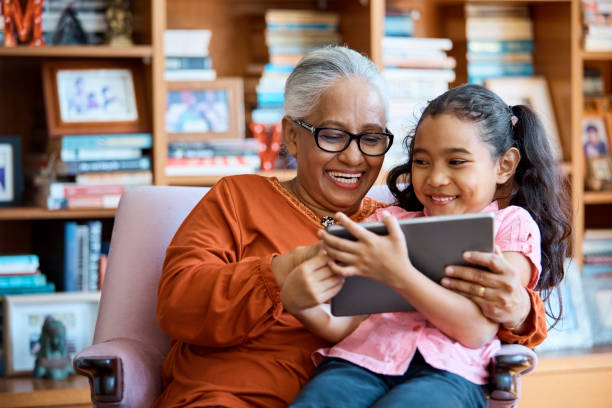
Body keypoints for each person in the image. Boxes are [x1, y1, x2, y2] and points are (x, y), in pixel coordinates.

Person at [154, 47, 549, 408]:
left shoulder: (395, 224)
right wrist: (279, 277)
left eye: (372, 138)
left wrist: (519, 309)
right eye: (333, 135)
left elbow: (490, 314)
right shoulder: (238, 197)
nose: (354, 157)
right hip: (228, 396)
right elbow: (177, 304)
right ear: (291, 135)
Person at [289, 84, 571, 408]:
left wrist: (399, 274)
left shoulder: (511, 225)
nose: (435, 178)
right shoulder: (388, 221)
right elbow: (344, 326)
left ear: (504, 165)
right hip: (360, 362)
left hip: (449, 374)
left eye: (456, 162)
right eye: (422, 162)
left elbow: (476, 330)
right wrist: (300, 303)